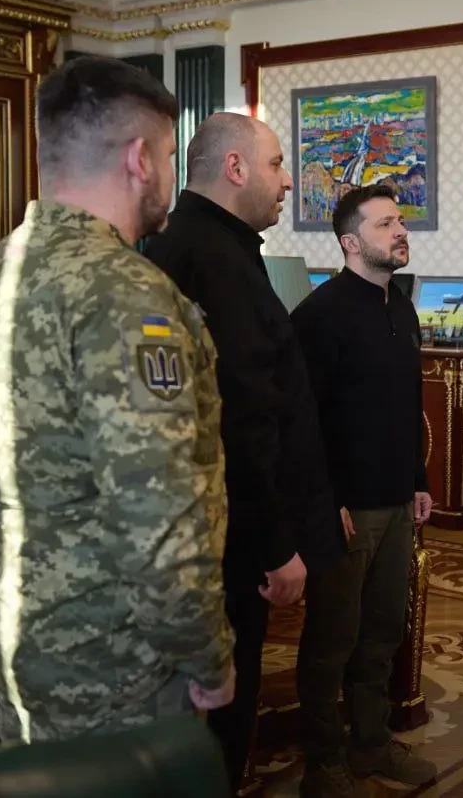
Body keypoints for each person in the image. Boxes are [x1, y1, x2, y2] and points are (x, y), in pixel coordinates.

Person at [0, 54, 235, 742]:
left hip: (9, 630)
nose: (169, 174)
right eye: (168, 156)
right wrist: (206, 652)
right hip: (120, 655)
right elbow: (159, 511)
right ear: (140, 159)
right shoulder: (129, 292)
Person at [143, 112, 345, 790]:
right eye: (277, 164)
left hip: (211, 528)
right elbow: (242, 421)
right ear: (235, 168)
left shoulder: (205, 246)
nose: (288, 181)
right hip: (230, 540)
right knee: (222, 705)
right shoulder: (213, 259)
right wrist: (275, 546)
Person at [290, 184, 436, 797]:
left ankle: (372, 743)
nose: (400, 232)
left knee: (381, 636)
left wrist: (418, 482)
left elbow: (406, 405)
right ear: (351, 242)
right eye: (385, 224)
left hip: (397, 503)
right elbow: (302, 423)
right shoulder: (319, 316)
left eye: (400, 221)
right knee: (332, 642)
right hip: (346, 511)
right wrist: (326, 504)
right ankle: (323, 763)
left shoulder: (401, 306)